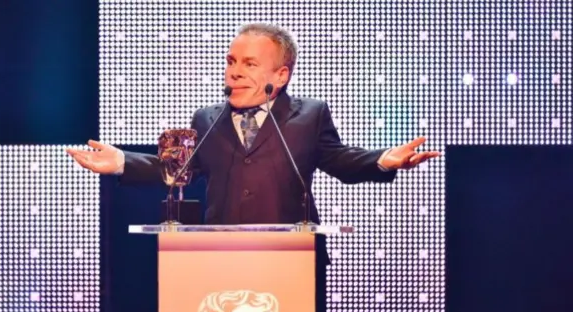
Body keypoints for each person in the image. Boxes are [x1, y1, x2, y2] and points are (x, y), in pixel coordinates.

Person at [67, 22, 439, 226]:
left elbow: (339, 160)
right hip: (218, 258)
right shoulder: (207, 119)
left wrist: (384, 160)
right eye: (231, 62)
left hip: (293, 259)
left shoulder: (309, 116)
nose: (234, 73)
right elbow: (180, 169)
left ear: (280, 75)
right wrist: (120, 162)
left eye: (248, 64)